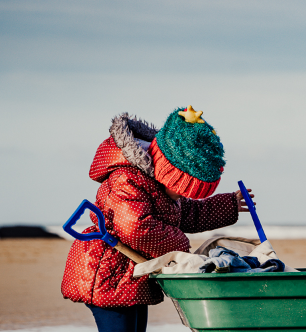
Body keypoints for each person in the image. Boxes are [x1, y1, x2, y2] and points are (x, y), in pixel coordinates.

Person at [61, 106, 253, 332]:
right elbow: (136, 227)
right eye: (181, 190)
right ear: (168, 173)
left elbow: (185, 214)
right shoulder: (127, 179)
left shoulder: (160, 188)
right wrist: (180, 249)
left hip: (132, 278)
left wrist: (227, 205)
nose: (182, 197)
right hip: (108, 275)